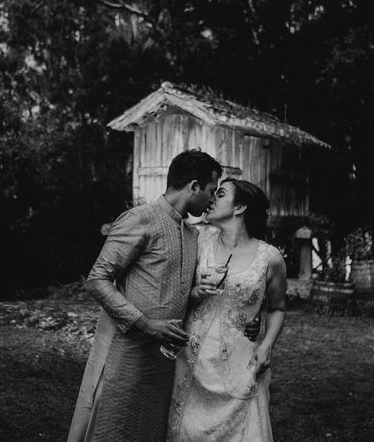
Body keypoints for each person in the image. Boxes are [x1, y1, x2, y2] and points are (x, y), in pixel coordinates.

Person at [67, 150, 260, 442]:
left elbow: (177, 292)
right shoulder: (140, 219)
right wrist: (145, 323)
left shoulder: (192, 235)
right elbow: (97, 280)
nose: (211, 199)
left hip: (164, 362)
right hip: (127, 352)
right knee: (113, 428)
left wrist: (228, 307)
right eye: (210, 191)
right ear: (193, 187)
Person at [166, 178, 287, 442]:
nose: (212, 199)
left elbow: (277, 307)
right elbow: (173, 294)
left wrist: (266, 346)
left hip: (241, 361)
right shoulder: (197, 243)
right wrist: (195, 293)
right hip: (193, 359)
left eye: (220, 194)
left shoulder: (270, 258)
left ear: (240, 207)